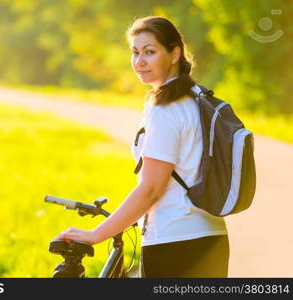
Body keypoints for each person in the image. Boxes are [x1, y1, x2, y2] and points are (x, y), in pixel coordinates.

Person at [53, 16, 229, 278]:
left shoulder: (166, 110)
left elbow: (151, 189)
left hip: (174, 244)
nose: (140, 61)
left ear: (174, 54)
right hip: (211, 238)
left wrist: (96, 234)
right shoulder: (197, 100)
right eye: (135, 53)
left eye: (150, 52)